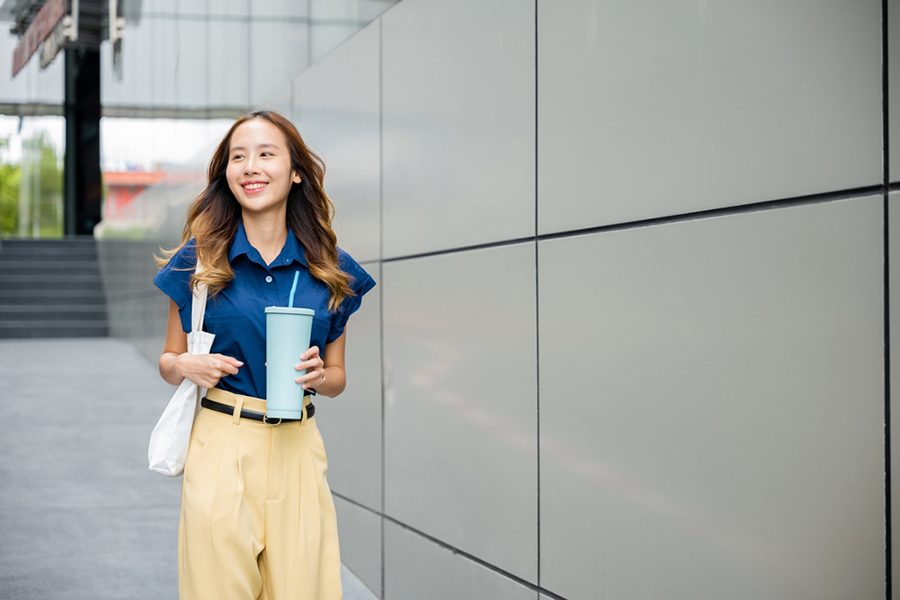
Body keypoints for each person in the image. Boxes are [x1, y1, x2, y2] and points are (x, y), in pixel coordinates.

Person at [153, 110, 375, 600]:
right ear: (226, 174)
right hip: (221, 444)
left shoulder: (332, 271)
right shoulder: (198, 262)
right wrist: (186, 365)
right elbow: (169, 361)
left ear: (296, 170)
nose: (250, 166)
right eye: (238, 156)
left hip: (299, 447)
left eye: (265, 153)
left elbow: (338, 376)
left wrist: (319, 376)